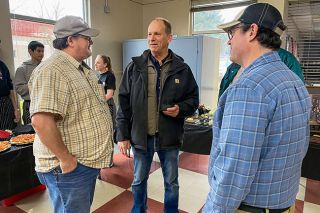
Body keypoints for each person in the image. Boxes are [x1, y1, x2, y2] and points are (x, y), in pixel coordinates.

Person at [203, 3, 311, 213]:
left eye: (232, 32)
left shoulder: (249, 88)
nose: (228, 40)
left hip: (251, 208)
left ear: (252, 31)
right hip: (284, 203)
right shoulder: (292, 80)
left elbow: (234, 171)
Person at [28, 16, 113, 213]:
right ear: (70, 40)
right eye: (87, 37)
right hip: (69, 168)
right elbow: (41, 121)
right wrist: (66, 159)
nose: (91, 41)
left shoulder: (80, 68)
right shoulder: (52, 70)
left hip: (83, 164)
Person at [116, 17, 199, 213]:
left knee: (171, 183)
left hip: (169, 137)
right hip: (141, 138)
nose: (151, 38)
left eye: (157, 34)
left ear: (169, 38)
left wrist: (181, 109)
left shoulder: (182, 69)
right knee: (138, 182)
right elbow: (124, 102)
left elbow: (193, 100)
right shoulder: (134, 67)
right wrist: (123, 135)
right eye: (149, 34)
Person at [218, 48, 305, 99]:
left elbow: (297, 96)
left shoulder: (286, 58)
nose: (229, 42)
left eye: (233, 35)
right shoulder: (235, 65)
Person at [15, 41, 44, 124]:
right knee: (31, 131)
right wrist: (33, 83)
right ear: (30, 51)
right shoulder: (22, 69)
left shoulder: (46, 66)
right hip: (30, 104)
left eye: (42, 51)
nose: (41, 54)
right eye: (39, 51)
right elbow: (19, 89)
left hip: (45, 102)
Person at [95, 54, 116, 168]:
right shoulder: (99, 76)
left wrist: (98, 101)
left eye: (98, 62)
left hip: (108, 106)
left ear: (105, 64)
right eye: (95, 62)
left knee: (109, 133)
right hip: (101, 107)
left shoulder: (110, 76)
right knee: (102, 134)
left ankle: (109, 161)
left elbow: (110, 94)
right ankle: (103, 159)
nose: (95, 64)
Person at [0, 59, 20, 130]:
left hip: (6, 102)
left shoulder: (2, 65)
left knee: (9, 131)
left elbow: (10, 88)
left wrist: (16, 109)